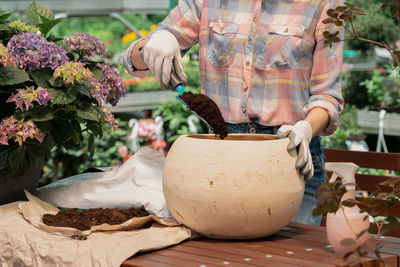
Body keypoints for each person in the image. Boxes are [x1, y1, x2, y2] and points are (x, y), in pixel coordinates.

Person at [123, 0, 344, 225]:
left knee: (288, 257)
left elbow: (327, 97)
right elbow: (132, 60)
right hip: (220, 160)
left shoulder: (325, 4)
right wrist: (157, 43)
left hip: (290, 156)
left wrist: (306, 129)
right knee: (220, 257)